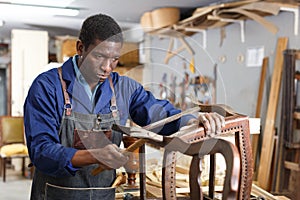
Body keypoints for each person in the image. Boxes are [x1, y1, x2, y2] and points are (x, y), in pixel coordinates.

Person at [23, 13, 225, 200]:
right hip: (55, 195)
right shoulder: (47, 87)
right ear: (80, 48)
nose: (107, 67)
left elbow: (158, 114)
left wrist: (191, 119)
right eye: (99, 56)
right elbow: (41, 151)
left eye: (114, 59)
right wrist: (93, 155)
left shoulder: (123, 88)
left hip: (103, 194)